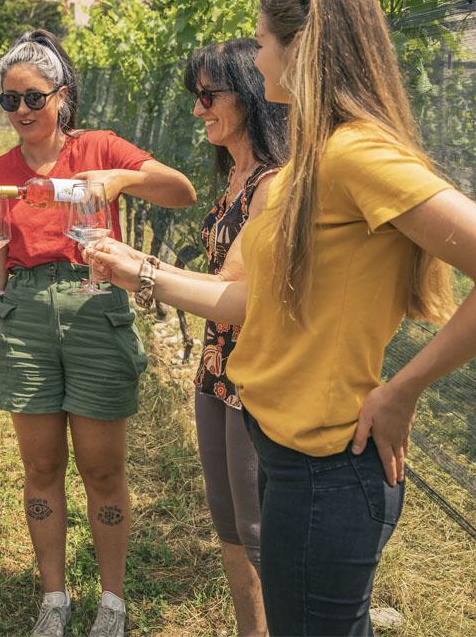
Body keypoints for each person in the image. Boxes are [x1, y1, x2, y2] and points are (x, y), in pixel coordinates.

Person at [86, 0, 476, 636]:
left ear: (300, 50)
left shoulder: (354, 156)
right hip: (286, 456)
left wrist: (404, 389)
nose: (256, 58)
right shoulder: (304, 170)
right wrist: (136, 271)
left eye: (262, 43)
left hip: (330, 471)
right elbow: (247, 301)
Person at [0, 29, 197, 637]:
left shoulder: (98, 148)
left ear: (61, 96)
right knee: (41, 467)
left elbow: (181, 189)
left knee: (102, 469)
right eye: (9, 101)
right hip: (24, 317)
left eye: (33, 98)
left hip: (94, 304)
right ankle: (54, 596)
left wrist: (117, 181)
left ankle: (112, 600)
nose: (21, 111)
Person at [184, 38, 287, 637]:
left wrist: (141, 273)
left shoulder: (273, 184)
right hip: (215, 368)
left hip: (255, 377)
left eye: (208, 95)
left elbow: (235, 287)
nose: (198, 109)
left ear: (249, 95)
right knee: (228, 524)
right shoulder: (234, 175)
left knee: (257, 531)